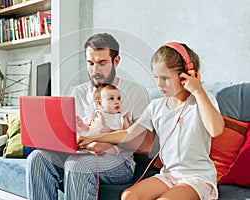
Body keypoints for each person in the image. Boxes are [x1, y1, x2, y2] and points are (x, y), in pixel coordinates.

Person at [78, 42, 225, 200]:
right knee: (128, 196)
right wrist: (91, 138)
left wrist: (198, 91)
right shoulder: (156, 106)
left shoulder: (201, 100)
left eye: (165, 78)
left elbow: (216, 129)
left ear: (187, 75)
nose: (159, 84)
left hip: (197, 178)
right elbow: (128, 134)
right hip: (168, 176)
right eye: (156, 77)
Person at [26, 33, 157, 200]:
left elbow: (146, 146)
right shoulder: (78, 92)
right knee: (37, 158)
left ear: (116, 61)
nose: (95, 71)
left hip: (118, 160)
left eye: (102, 63)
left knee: (77, 166)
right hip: (80, 154)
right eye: (90, 63)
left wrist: (103, 134)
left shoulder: (135, 91)